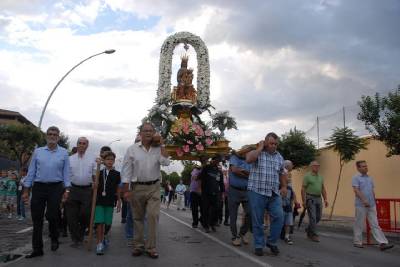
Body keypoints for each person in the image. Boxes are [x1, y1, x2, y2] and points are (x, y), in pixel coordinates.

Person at [121, 122, 170, 259]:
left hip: (154, 187)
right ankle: (138, 246)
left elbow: (166, 162)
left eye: (151, 131)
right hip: (137, 187)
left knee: (153, 216)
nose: (148, 133)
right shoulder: (132, 149)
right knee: (137, 217)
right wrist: (126, 190)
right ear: (140, 133)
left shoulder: (158, 148)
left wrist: (162, 144)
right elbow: (126, 171)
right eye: (145, 130)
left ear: (154, 133)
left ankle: (151, 247)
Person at [22, 126, 71, 258]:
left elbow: (66, 173)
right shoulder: (38, 152)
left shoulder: (64, 153)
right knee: (36, 218)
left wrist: (67, 190)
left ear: (58, 137)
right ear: (46, 136)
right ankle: (37, 249)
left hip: (56, 187)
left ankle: (54, 237)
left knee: (52, 215)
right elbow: (31, 172)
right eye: (50, 134)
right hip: (38, 187)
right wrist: (26, 190)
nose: (52, 136)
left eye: (55, 134)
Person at [246, 132, 285, 256]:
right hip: (257, 191)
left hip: (273, 192)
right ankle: (259, 245)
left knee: (279, 216)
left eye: (275, 144)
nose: (273, 146)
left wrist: (284, 186)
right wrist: (259, 148)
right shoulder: (258, 153)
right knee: (258, 220)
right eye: (271, 143)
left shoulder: (279, 157)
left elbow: (282, 172)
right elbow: (249, 159)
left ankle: (272, 242)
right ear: (265, 143)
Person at [352, 160, 394, 251]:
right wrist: (364, 200)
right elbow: (356, 190)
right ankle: (357, 242)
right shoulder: (356, 177)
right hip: (361, 205)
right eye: (363, 166)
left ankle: (382, 243)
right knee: (359, 223)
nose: (366, 167)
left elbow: (372, 190)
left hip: (371, 204)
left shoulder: (369, 178)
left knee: (375, 224)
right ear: (358, 168)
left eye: (366, 166)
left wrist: (374, 201)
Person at [66, 137, 96, 248]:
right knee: (71, 216)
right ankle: (75, 239)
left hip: (87, 190)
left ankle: (81, 232)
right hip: (73, 189)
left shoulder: (92, 159)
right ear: (77, 144)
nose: (82, 145)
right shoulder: (70, 159)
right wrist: (66, 190)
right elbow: (67, 175)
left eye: (84, 143)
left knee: (85, 214)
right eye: (80, 143)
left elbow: (95, 175)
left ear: (87, 146)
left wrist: (95, 182)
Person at [94, 151, 121, 255]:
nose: (110, 161)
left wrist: (119, 201)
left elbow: (118, 188)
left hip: (110, 202)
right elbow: (95, 186)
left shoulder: (117, 174)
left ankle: (104, 236)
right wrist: (94, 184)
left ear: (114, 161)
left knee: (107, 223)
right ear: (104, 161)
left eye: (112, 160)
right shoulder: (99, 173)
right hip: (99, 201)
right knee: (100, 222)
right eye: (108, 159)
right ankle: (99, 243)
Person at [228, 149, 251, 246]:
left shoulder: (249, 160)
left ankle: (242, 233)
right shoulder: (234, 158)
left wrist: (242, 172)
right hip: (234, 190)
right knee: (233, 216)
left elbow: (252, 174)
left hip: (246, 191)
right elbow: (234, 170)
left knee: (250, 213)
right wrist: (246, 173)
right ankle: (234, 237)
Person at [301, 161, 328, 242]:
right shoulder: (307, 176)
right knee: (312, 217)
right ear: (311, 167)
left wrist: (326, 199)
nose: (317, 167)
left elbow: (323, 188)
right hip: (310, 198)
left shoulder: (320, 177)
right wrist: (304, 201)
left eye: (318, 166)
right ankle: (314, 235)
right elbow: (303, 189)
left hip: (318, 198)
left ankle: (309, 229)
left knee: (318, 217)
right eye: (315, 166)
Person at [199, 155, 225, 233]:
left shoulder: (219, 172)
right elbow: (202, 179)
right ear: (212, 160)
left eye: (219, 161)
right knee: (205, 209)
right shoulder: (206, 168)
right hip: (206, 193)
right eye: (216, 160)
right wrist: (201, 191)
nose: (217, 162)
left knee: (216, 209)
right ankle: (206, 225)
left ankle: (212, 224)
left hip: (216, 193)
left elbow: (221, 183)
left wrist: (223, 193)